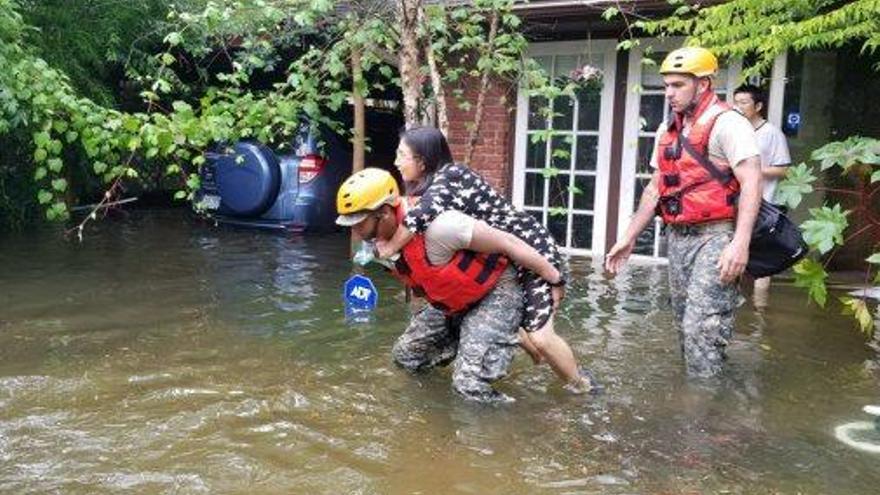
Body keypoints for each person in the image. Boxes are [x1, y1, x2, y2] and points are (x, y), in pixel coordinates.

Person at [373, 126, 595, 392]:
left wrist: (557, 279)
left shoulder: (451, 176)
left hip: (531, 248)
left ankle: (583, 387)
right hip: (508, 254)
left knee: (542, 337)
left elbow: (416, 220)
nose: (396, 162)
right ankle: (531, 350)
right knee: (523, 329)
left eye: (401, 155)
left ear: (421, 161)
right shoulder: (430, 187)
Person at [336, 168, 574, 402]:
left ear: (385, 212)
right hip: (455, 303)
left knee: (468, 384)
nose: (357, 234)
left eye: (359, 225)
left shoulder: (442, 227)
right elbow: (424, 279)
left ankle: (512, 426)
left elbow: (509, 243)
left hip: (496, 291)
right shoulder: (382, 246)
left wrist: (555, 278)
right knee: (406, 357)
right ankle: (431, 410)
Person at [604, 46, 763, 378]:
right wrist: (629, 238)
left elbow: (752, 183)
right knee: (683, 327)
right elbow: (654, 188)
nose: (669, 93)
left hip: (717, 236)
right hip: (678, 237)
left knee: (703, 328)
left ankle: (706, 415)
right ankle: (702, 401)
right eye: (666, 85)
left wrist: (740, 243)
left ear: (703, 84)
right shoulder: (667, 131)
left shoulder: (728, 124)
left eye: (678, 85)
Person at [732, 84, 793, 307]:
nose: (737, 107)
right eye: (735, 102)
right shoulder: (734, 132)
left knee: (762, 256)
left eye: (743, 103)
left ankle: (760, 309)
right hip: (735, 202)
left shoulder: (772, 134)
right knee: (734, 250)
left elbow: (783, 169)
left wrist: (753, 170)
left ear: (758, 106)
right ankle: (735, 302)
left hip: (766, 202)